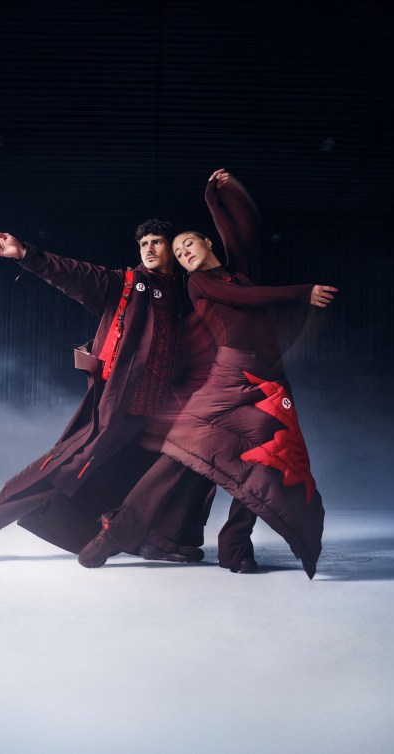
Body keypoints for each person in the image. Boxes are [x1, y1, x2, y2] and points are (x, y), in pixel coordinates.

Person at [78, 170, 335, 579]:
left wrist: (216, 196)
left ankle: (235, 549)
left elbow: (243, 234)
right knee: (181, 458)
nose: (183, 254)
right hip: (225, 382)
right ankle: (114, 532)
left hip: (268, 383)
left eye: (188, 244)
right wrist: (300, 291)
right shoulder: (200, 284)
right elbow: (244, 298)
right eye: (177, 253)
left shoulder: (238, 269)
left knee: (264, 465)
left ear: (207, 242)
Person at [0, 220, 215, 564]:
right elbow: (74, 273)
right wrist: (26, 253)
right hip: (122, 407)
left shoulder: (186, 296)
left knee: (198, 459)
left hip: (166, 411)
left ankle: (162, 540)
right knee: (66, 468)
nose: (148, 249)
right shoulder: (126, 284)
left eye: (157, 242)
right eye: (143, 243)